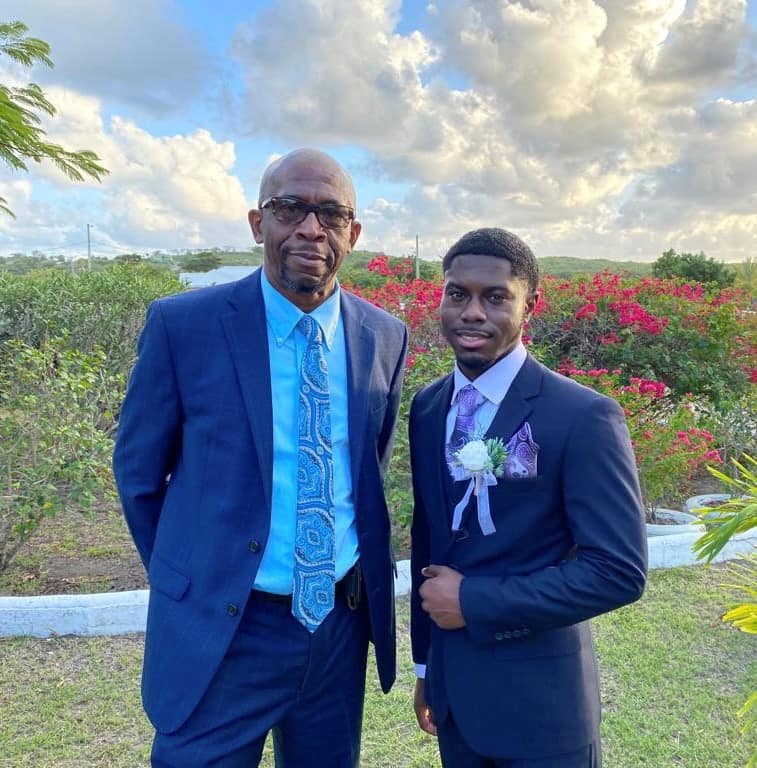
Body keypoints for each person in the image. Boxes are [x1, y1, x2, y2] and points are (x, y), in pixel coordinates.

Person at [113, 148, 408, 768]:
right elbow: (139, 473)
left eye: (330, 214)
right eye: (289, 208)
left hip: (336, 628)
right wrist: (192, 575)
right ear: (257, 223)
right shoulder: (184, 325)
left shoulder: (382, 334)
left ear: (353, 234)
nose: (310, 228)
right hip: (225, 630)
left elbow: (365, 467)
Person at [409, 228, 647, 767]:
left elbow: (617, 571)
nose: (472, 312)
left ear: (529, 306)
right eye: (457, 294)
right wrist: (427, 669)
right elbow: (429, 542)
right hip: (455, 702)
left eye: (495, 297)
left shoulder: (581, 416)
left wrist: (473, 601)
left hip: (544, 709)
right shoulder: (427, 408)